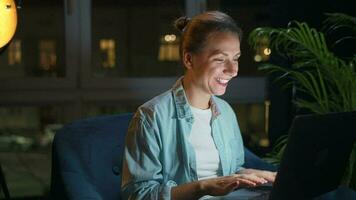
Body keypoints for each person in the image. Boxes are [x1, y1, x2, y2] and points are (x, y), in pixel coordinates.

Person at [121, 11, 276, 200]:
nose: (233, 70)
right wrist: (201, 187)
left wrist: (251, 175)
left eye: (235, 58)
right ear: (189, 59)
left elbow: (229, 171)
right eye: (220, 59)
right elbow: (139, 195)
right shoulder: (151, 116)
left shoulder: (226, 112)